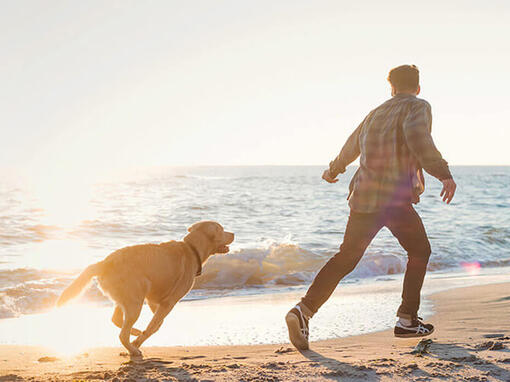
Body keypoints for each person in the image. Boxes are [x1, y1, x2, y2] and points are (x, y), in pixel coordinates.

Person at [285, 64, 457, 350]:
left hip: (363, 197)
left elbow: (351, 145)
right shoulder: (418, 106)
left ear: (391, 88)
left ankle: (303, 311)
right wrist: (443, 172)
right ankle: (407, 320)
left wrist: (334, 169)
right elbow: (418, 138)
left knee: (346, 257)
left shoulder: (375, 112)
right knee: (420, 251)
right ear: (417, 87)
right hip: (394, 199)